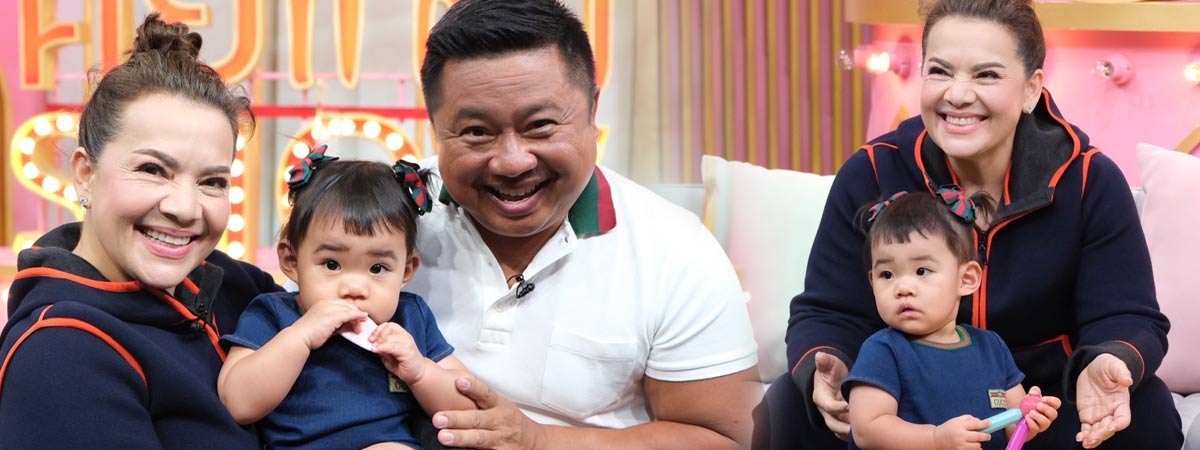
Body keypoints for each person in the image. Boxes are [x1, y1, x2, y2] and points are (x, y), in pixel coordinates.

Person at [756, 0, 1182, 449]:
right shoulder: (873, 170)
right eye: (940, 71)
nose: (957, 95)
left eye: (987, 75)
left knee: (1147, 410)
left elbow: (1126, 313)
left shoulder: (1089, 178)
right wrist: (827, 363)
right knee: (788, 405)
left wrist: (1111, 359)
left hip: (1038, 411)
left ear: (1031, 89)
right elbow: (829, 310)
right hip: (901, 414)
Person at [405, 0, 761, 448]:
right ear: (435, 126)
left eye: (540, 125)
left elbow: (723, 438)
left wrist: (537, 441)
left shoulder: (674, 250)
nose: (512, 162)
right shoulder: (383, 215)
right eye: (477, 131)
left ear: (592, 109)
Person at [0, 13, 278, 449]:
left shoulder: (234, 286)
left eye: (212, 181)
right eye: (153, 170)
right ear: (85, 174)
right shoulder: (60, 353)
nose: (185, 208)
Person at [217, 149, 475, 449]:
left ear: (406, 271)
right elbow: (237, 403)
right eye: (332, 264)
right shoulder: (273, 314)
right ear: (291, 261)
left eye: (377, 268)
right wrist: (301, 336)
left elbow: (468, 408)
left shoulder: (410, 318)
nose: (354, 287)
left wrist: (420, 371)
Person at [843, 190, 1060, 450]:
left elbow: (1010, 425)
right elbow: (867, 429)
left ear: (966, 279)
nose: (902, 288)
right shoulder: (883, 351)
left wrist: (1030, 419)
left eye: (921, 271)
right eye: (887, 274)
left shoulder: (991, 347)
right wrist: (936, 439)